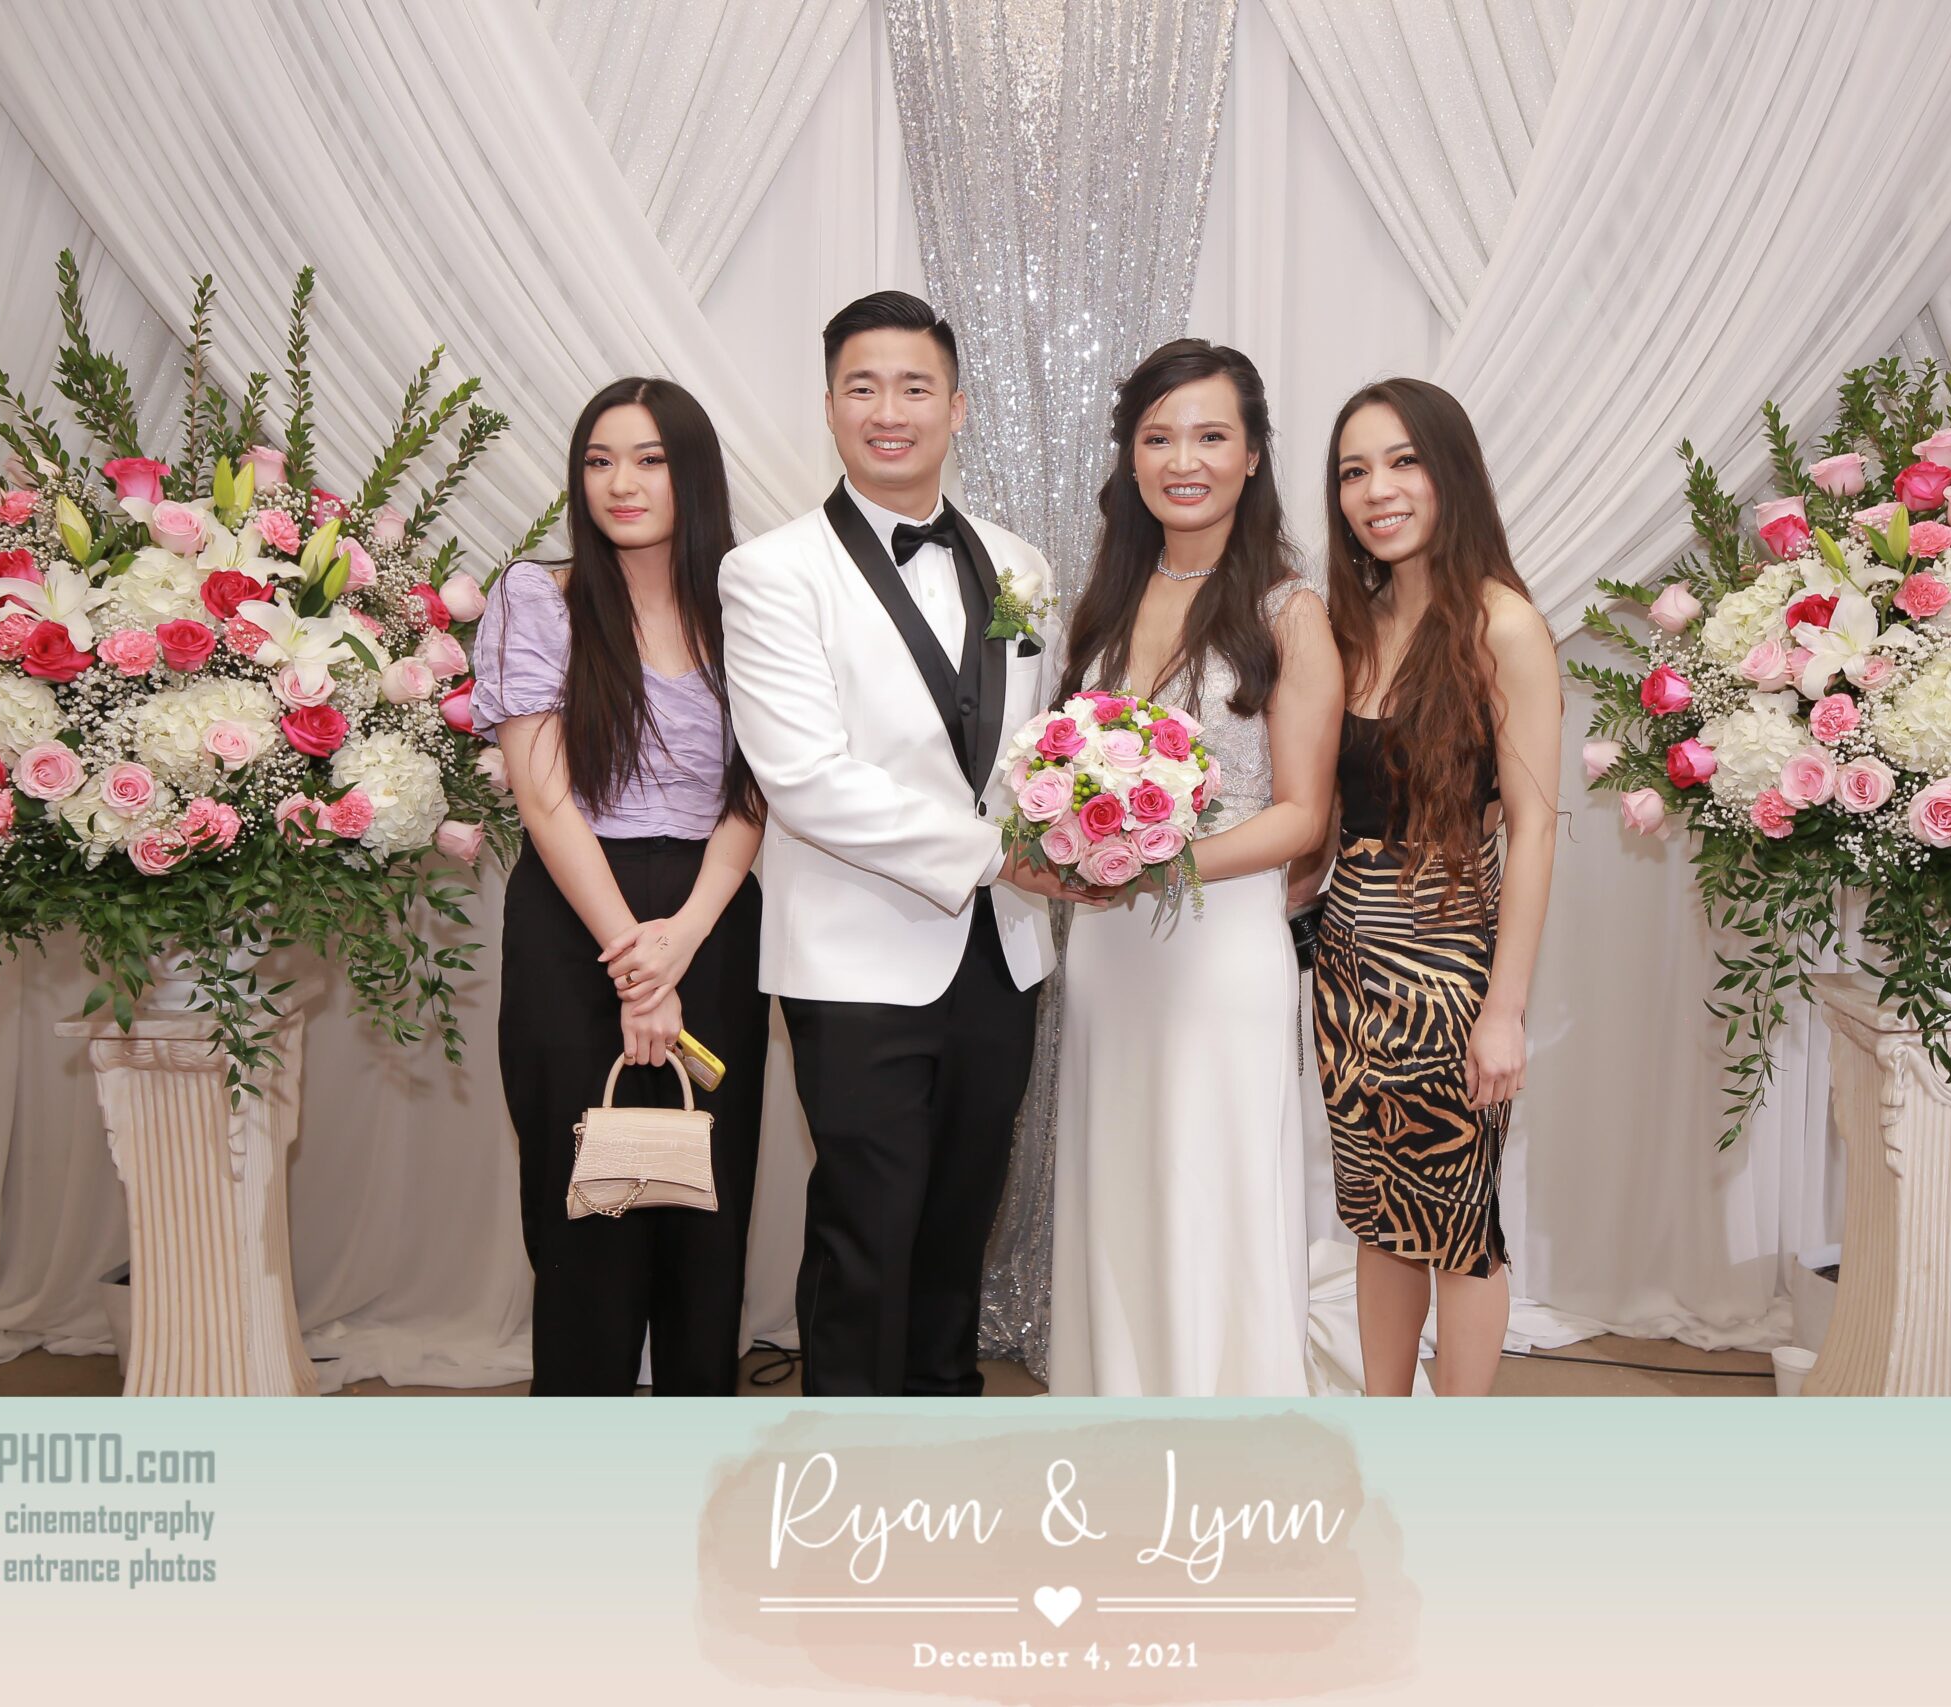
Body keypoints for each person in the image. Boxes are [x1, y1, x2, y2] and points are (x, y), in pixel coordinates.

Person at [716, 290, 1069, 1397]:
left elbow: (1034, 747)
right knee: (866, 1228)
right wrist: (993, 854)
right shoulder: (770, 572)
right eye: (862, 387)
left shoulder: (1020, 565)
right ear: (828, 406)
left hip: (1001, 952)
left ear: (956, 407)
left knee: (960, 1221)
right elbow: (806, 780)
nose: (889, 410)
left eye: (915, 387)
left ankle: (944, 1431)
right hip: (853, 956)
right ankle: (847, 1463)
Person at [1044, 339, 1343, 1397]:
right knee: (1120, 1177)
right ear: (1130, 456)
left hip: (1221, 951)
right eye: (1159, 437)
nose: (1184, 460)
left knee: (1212, 1178)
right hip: (1109, 950)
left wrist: (1155, 867)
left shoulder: (1288, 611)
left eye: (1211, 436)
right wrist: (1059, 848)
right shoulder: (1105, 603)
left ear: (1252, 455)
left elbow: (1302, 815)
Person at [478, 375, 771, 1396]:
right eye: (599, 461)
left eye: (649, 459)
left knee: (705, 1202)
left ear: (694, 474)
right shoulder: (539, 596)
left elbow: (756, 791)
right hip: (574, 916)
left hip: (713, 916)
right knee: (584, 1204)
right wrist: (640, 970)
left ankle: (702, 1457)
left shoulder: (749, 606)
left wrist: (683, 935)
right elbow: (543, 795)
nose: (621, 482)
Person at [1306, 377, 1558, 1397]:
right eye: (1353, 471)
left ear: (1450, 471)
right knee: (1378, 1216)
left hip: (1448, 968)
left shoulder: (1503, 625)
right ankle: (1381, 1430)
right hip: (1347, 972)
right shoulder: (1351, 623)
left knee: (1459, 1226)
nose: (1377, 489)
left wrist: (1504, 1010)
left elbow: (1534, 826)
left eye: (1403, 461)